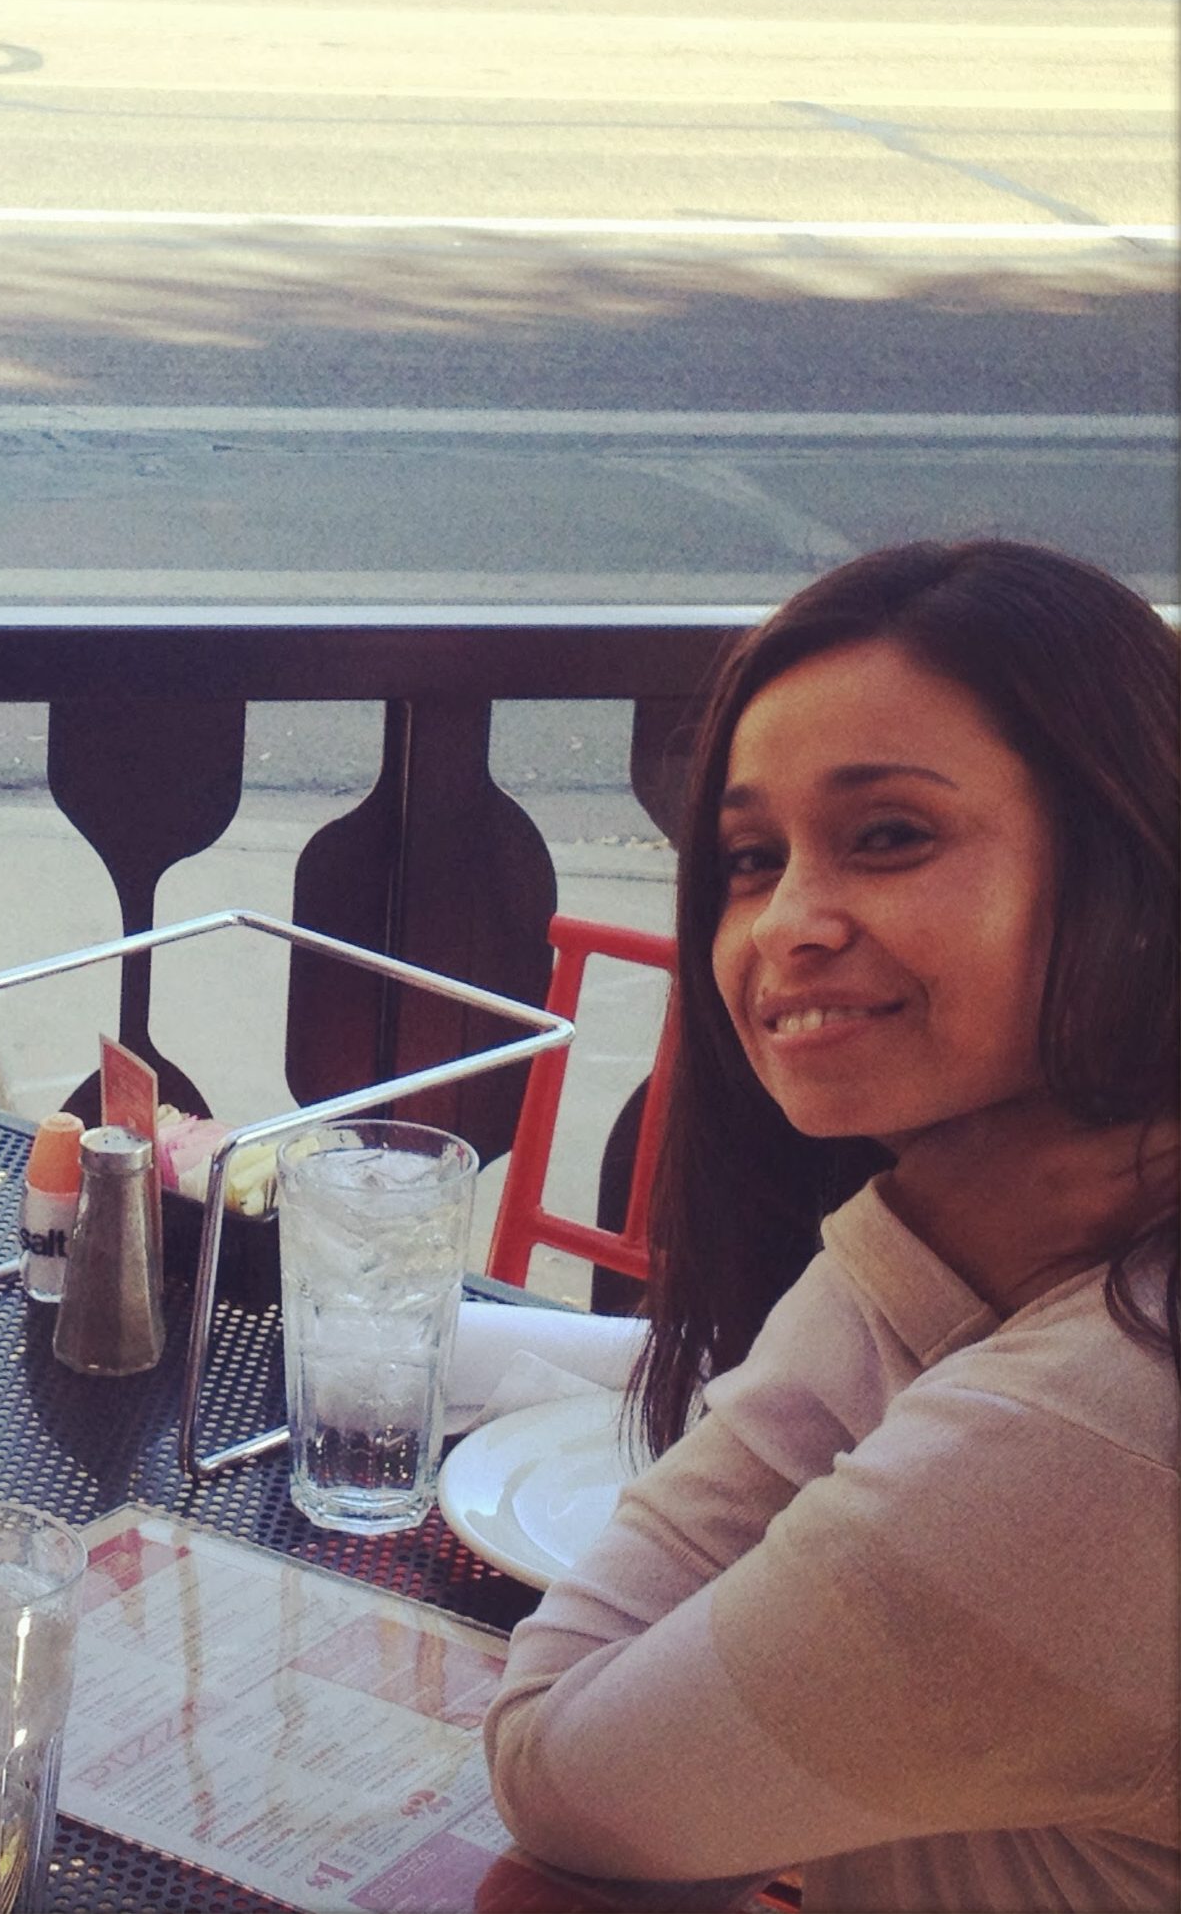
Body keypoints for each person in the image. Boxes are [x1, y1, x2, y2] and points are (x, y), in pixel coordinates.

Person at [484, 539, 1177, 1913]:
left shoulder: (1099, 1420)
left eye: (890, 836)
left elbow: (558, 1763)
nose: (787, 921)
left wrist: (907, 1245)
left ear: (1129, 871)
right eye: (750, 857)